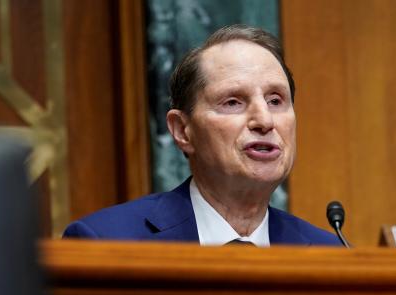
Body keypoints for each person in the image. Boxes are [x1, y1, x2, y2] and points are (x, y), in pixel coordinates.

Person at [64, 25, 340, 246]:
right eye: (233, 102)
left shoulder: (329, 255)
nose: (264, 120)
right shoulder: (106, 242)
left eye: (276, 101)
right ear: (182, 131)